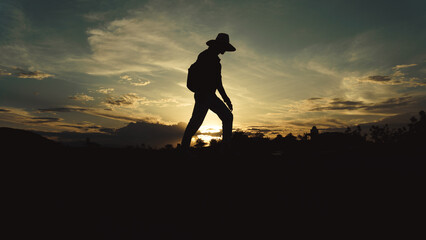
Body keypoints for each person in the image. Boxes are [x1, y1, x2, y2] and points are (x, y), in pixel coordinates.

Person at [181, 33, 236, 149]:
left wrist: (226, 99)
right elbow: (217, 82)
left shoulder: (210, 57)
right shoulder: (208, 57)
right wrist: (226, 99)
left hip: (207, 95)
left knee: (196, 122)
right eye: (224, 48)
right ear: (219, 45)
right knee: (198, 122)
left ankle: (184, 149)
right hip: (205, 95)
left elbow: (217, 82)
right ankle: (226, 149)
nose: (225, 51)